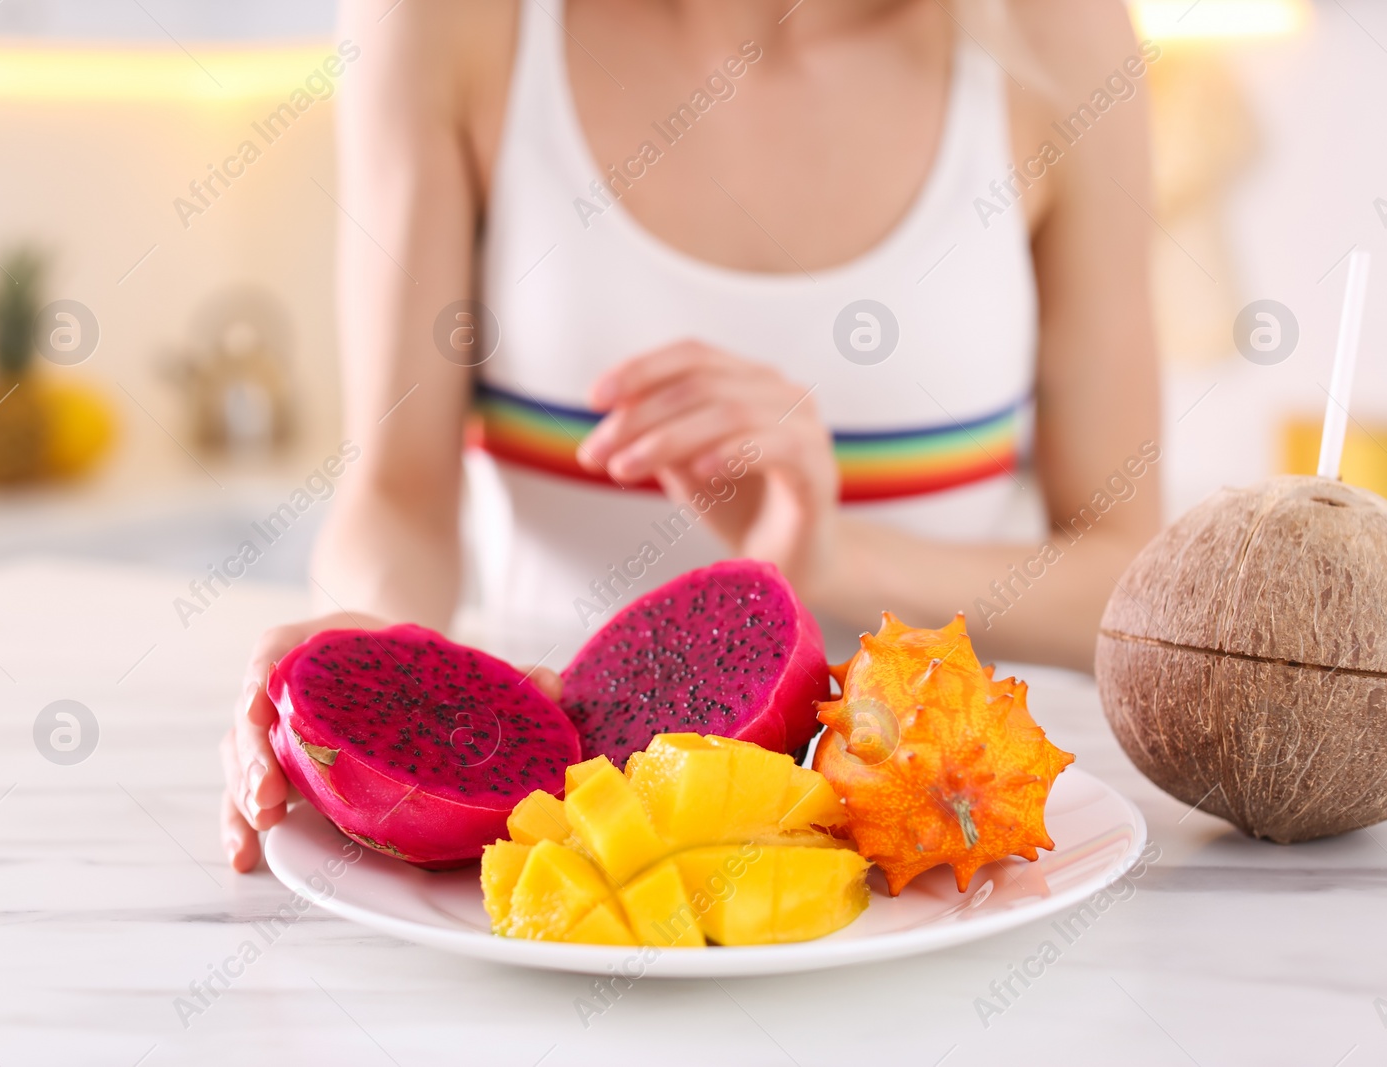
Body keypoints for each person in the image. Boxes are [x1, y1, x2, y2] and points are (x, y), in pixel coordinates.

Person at [221, 0, 1161, 871]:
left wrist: (835, 559)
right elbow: (395, 495)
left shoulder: (1062, 35)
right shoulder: (451, 20)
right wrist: (380, 659)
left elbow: (1133, 588)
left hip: (917, 863)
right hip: (553, 850)